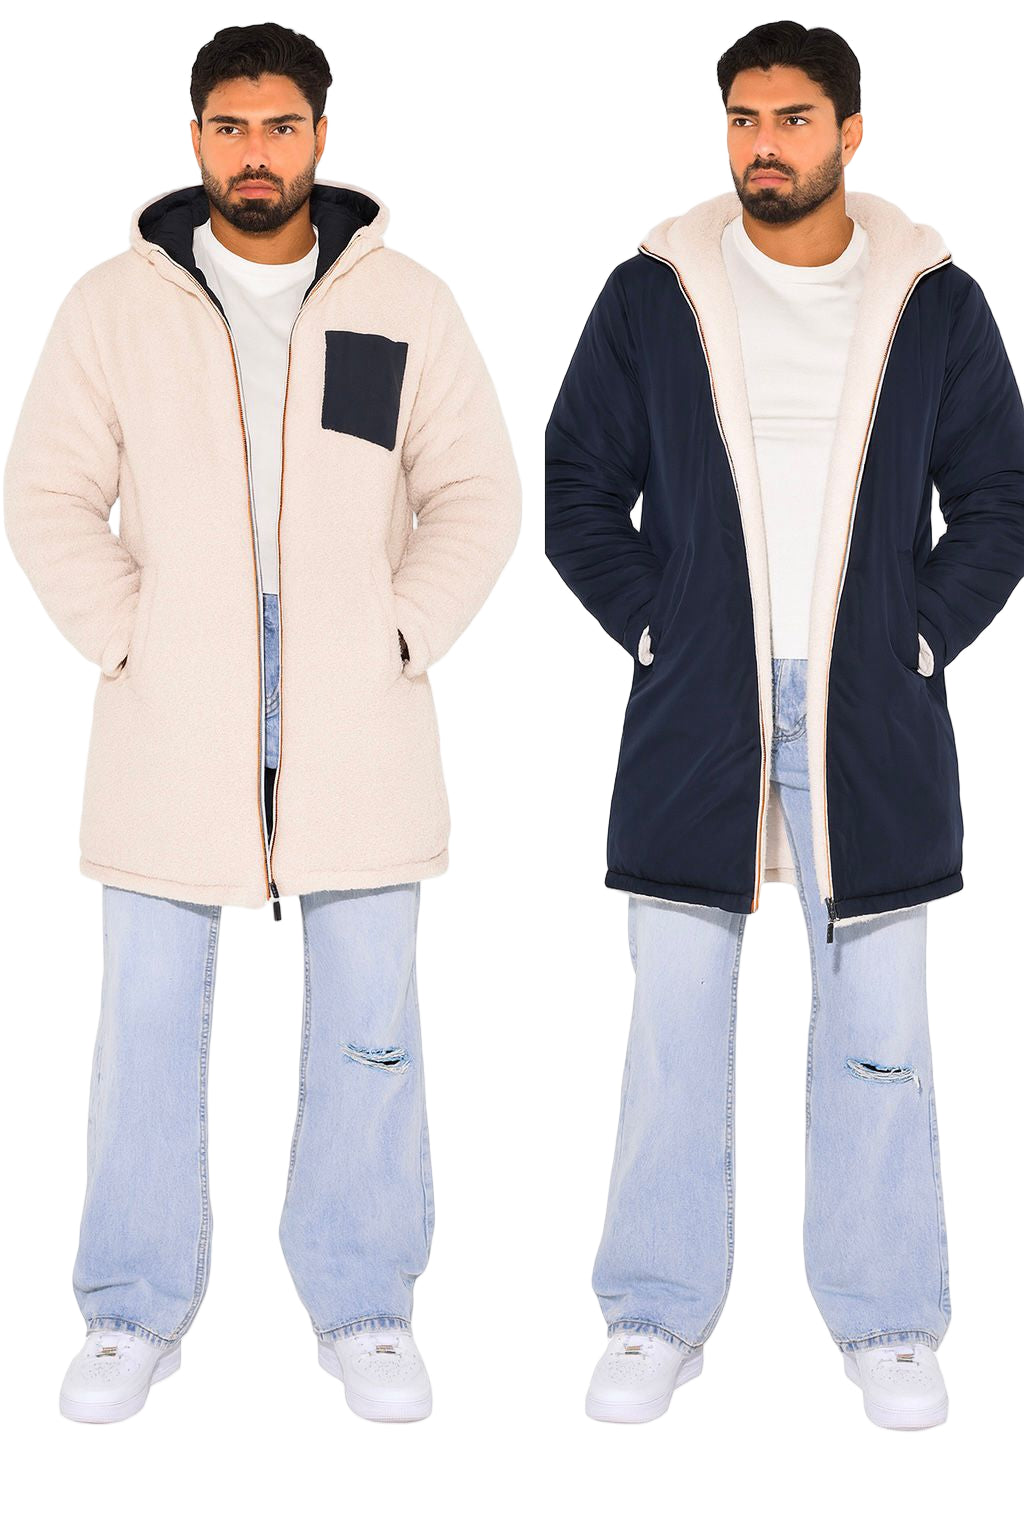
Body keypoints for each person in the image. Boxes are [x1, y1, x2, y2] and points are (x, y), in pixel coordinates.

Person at [4, 22, 520, 1424]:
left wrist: (400, 630)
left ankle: (365, 1306)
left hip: (359, 699)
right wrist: (133, 632)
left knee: (370, 1023)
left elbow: (475, 493)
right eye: (229, 128)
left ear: (320, 137)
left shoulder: (404, 301)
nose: (254, 154)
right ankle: (131, 1310)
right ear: (195, 141)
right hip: (172, 702)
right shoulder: (113, 308)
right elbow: (47, 494)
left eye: (280, 127)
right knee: (146, 1022)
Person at [545, 20, 1024, 1430]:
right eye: (745, 118)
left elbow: (1000, 497)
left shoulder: (933, 301)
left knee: (879, 1028)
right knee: (675, 1030)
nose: (765, 143)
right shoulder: (655, 292)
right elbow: (580, 485)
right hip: (698, 706)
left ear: (850, 131)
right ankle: (653, 1315)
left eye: (794, 118)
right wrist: (661, 627)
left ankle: (889, 1322)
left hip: (870, 712)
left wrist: (919, 634)